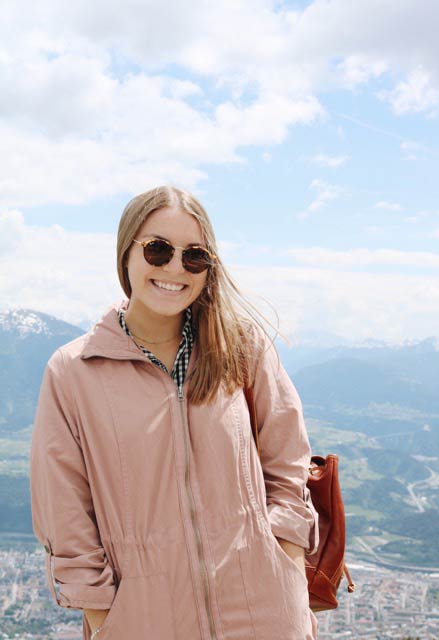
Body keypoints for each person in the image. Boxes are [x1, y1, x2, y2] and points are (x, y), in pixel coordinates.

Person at [29, 184, 320, 640]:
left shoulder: (242, 348)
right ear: (126, 254)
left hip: (265, 613)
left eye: (194, 256)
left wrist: (282, 555)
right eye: (158, 249)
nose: (174, 268)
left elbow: (288, 460)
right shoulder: (73, 371)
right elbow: (64, 515)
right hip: (142, 623)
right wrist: (108, 619)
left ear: (208, 267)